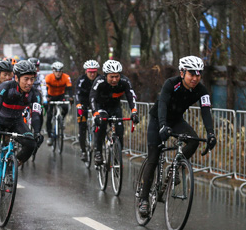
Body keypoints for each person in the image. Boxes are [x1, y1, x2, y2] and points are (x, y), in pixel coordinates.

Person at [138, 56, 217, 216]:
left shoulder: (201, 90)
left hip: (176, 121)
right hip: (158, 120)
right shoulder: (171, 83)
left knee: (193, 141)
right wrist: (162, 125)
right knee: (153, 158)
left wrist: (211, 133)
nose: (195, 78)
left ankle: (175, 168)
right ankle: (144, 200)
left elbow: (206, 111)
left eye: (198, 74)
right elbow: (162, 104)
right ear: (182, 73)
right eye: (191, 74)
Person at [0, 60, 43, 203]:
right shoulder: (5, 87)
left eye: (32, 79)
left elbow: (36, 115)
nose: (29, 83)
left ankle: (12, 166)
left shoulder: (35, 94)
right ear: (16, 78)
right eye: (26, 79)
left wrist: (37, 132)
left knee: (31, 144)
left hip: (16, 121)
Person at [90, 59, 139, 166]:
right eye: (111, 76)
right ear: (106, 75)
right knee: (102, 124)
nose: (114, 79)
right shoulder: (99, 81)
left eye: (117, 76)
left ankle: (117, 155)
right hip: (101, 107)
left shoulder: (125, 81)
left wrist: (134, 112)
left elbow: (131, 96)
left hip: (115, 107)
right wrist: (95, 114)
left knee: (120, 130)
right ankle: (98, 152)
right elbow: (92, 97)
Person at [44, 61, 73, 146]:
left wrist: (71, 97)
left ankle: (61, 120)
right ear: (53, 71)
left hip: (61, 96)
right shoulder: (48, 77)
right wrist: (46, 98)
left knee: (65, 108)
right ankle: (50, 136)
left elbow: (70, 88)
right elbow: (45, 88)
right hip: (51, 96)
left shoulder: (66, 77)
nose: (58, 73)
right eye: (56, 71)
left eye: (60, 71)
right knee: (49, 116)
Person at [75, 60, 100, 161]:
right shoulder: (81, 80)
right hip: (83, 104)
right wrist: (78, 104)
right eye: (90, 72)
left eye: (94, 71)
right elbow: (77, 93)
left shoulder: (100, 79)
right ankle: (83, 151)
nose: (92, 74)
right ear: (86, 71)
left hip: (96, 104)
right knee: (82, 126)